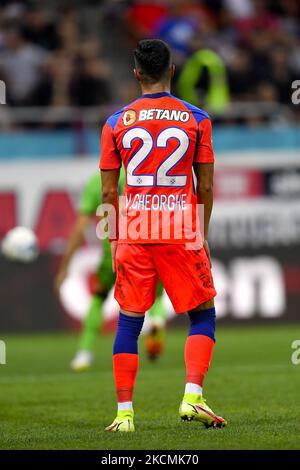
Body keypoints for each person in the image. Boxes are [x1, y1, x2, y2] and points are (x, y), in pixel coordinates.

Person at [100, 39, 227, 432]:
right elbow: (205, 186)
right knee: (202, 314)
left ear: (136, 74)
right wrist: (200, 234)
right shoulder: (197, 119)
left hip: (134, 232)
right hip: (181, 230)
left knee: (129, 322)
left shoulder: (115, 123)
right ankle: (192, 397)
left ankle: (124, 415)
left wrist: (113, 239)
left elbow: (108, 193)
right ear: (172, 71)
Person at [55, 171, 167, 371]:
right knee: (155, 297)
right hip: (149, 242)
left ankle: (84, 353)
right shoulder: (144, 171)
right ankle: (157, 320)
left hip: (114, 249)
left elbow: (80, 227)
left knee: (99, 296)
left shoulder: (96, 181)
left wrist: (64, 267)